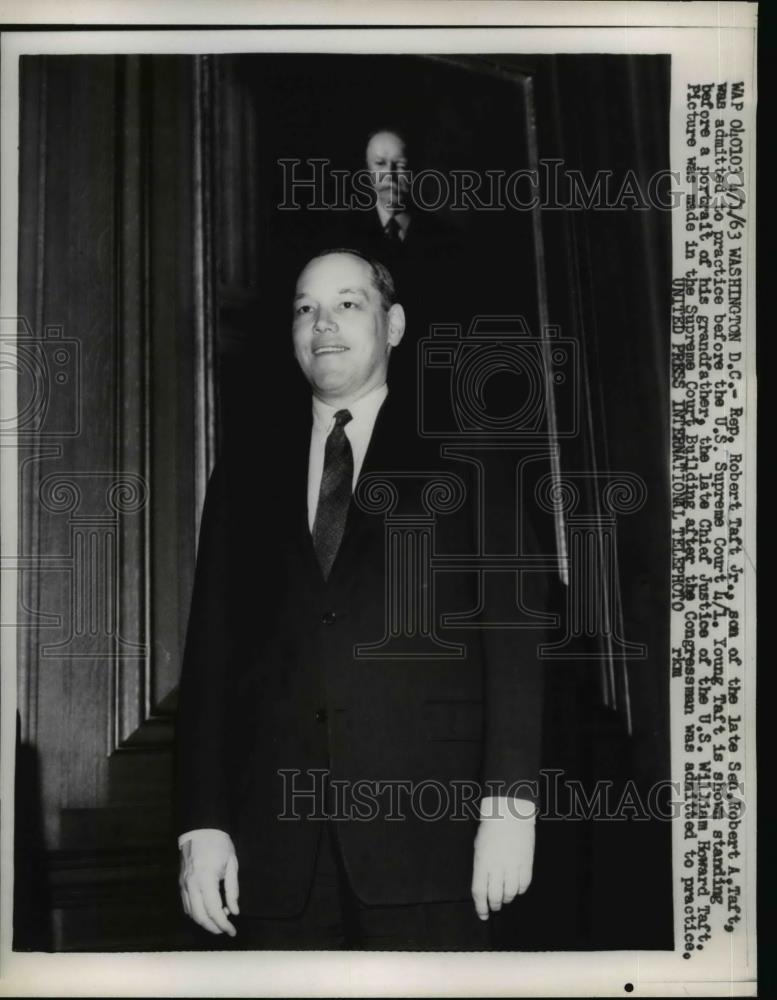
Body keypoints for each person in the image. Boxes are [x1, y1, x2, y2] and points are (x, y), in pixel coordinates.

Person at [175, 249, 547, 950]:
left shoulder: (471, 446)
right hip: (273, 857)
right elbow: (210, 656)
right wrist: (203, 824)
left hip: (433, 844)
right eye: (304, 308)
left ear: (394, 324)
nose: (323, 324)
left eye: (347, 304)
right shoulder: (244, 469)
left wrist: (509, 806)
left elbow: (515, 635)